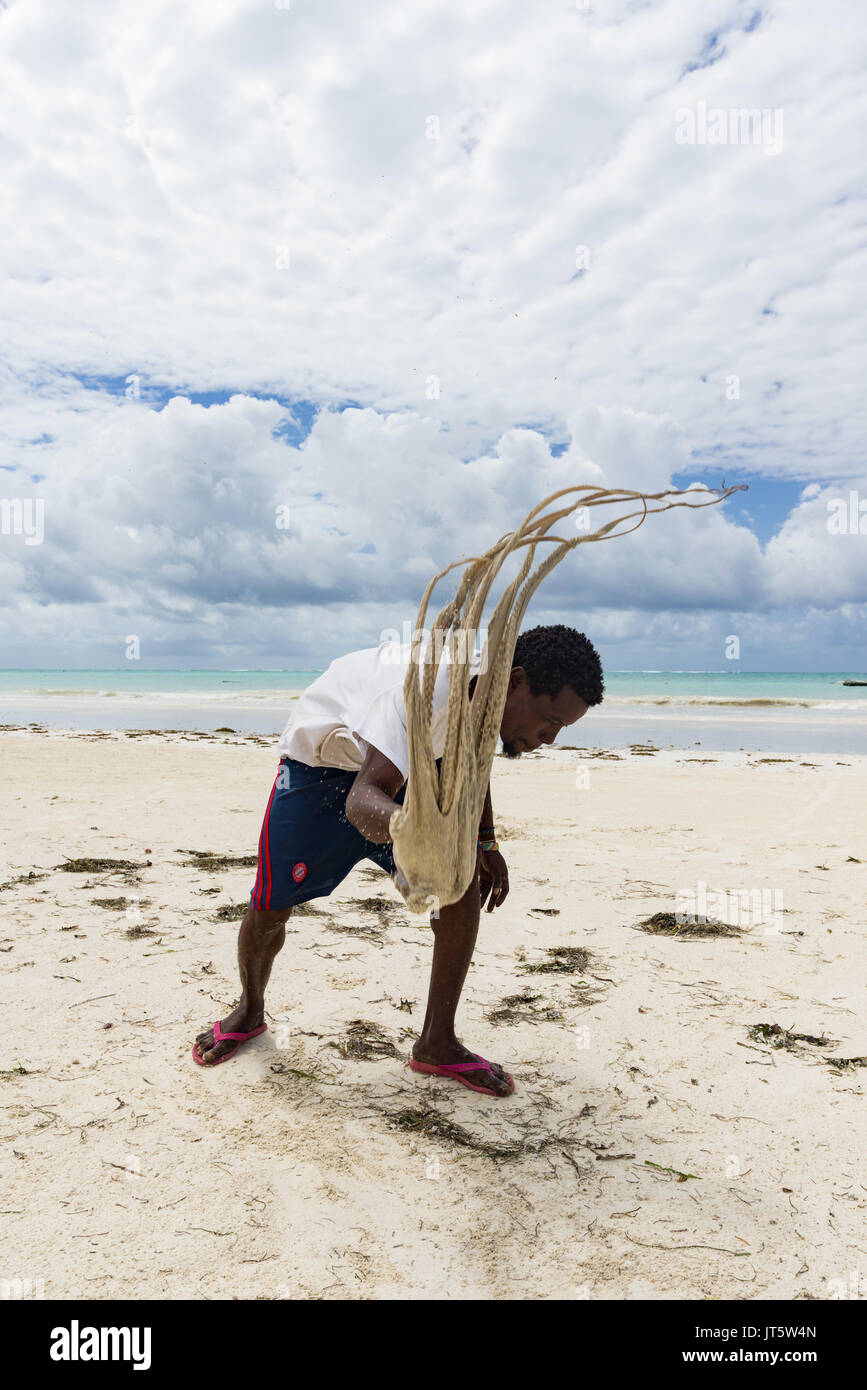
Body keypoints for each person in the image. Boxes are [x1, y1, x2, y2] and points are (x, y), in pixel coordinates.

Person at [193, 623, 603, 1096]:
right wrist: (423, 833)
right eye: (551, 721)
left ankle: (437, 1042)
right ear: (516, 681)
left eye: (562, 729)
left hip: (405, 771)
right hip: (321, 769)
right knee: (270, 905)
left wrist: (484, 841)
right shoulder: (424, 691)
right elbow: (362, 798)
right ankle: (249, 1009)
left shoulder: (489, 693)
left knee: (460, 886)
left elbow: (468, 757)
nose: (550, 738)